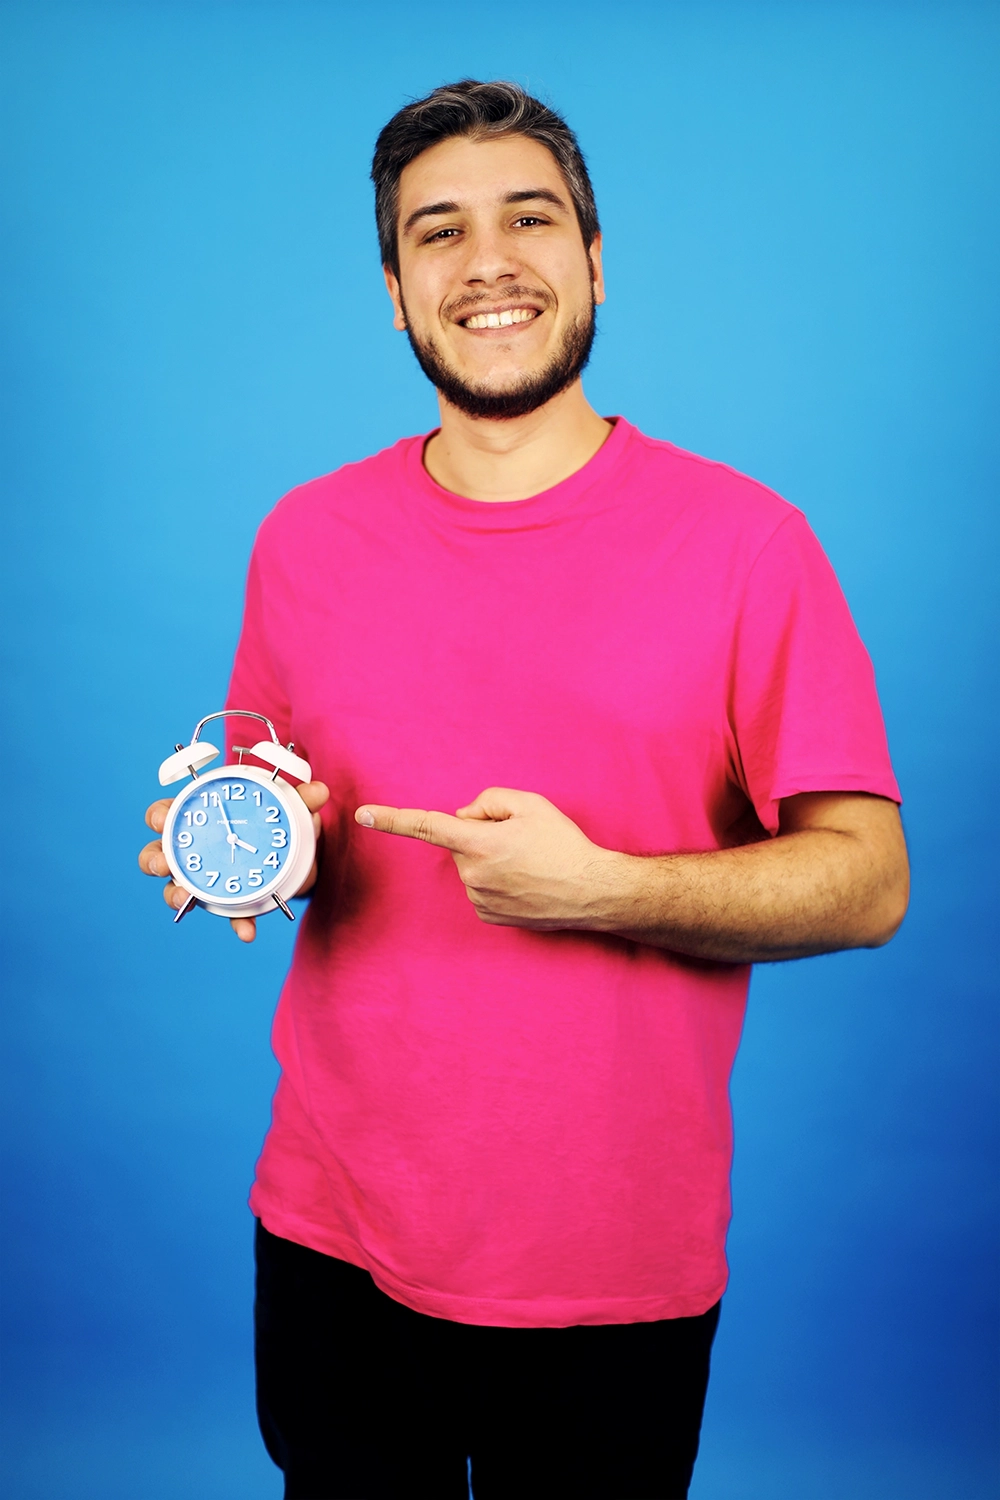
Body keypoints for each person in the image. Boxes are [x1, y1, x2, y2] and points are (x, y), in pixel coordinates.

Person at [139, 80, 909, 1500]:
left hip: (611, 1268)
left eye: (529, 219)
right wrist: (265, 852)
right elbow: (294, 804)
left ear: (596, 263)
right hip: (332, 1236)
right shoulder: (305, 540)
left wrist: (604, 888)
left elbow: (869, 881)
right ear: (395, 294)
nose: (486, 260)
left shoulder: (748, 546)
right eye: (439, 232)